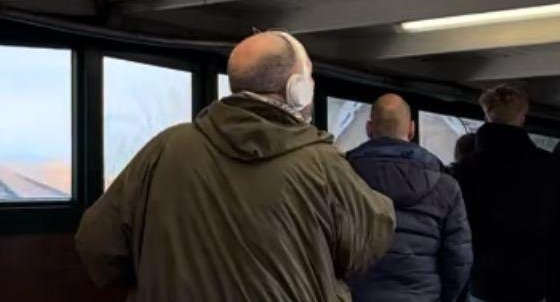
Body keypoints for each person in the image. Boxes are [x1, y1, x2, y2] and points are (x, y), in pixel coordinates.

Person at [75, 31, 396, 301]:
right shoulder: (321, 164)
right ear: (298, 88)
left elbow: (97, 244)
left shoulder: (166, 148)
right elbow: (368, 240)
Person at [452, 85, 560, 302]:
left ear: (487, 115)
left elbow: (457, 231)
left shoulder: (466, 170)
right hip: (533, 283)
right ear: (522, 117)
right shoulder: (548, 167)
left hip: (483, 282)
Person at [346, 94, 473, 302]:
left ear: (369, 128)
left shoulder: (343, 177)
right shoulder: (446, 186)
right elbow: (459, 259)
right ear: (412, 129)